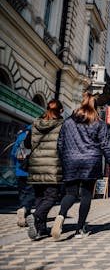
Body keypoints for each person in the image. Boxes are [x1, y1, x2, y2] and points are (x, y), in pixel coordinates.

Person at [51, 92, 110, 240]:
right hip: (90, 162)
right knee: (86, 195)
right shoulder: (99, 124)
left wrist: (64, 160)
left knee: (70, 194)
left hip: (71, 162)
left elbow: (60, 143)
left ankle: (60, 215)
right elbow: (106, 145)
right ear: (96, 108)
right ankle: (79, 229)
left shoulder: (68, 122)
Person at [24, 99, 65, 240]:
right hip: (52, 165)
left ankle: (41, 230)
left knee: (40, 197)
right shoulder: (61, 125)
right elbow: (63, 146)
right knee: (51, 196)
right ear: (60, 111)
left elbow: (27, 143)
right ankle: (35, 217)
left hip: (35, 165)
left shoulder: (35, 123)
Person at [10, 125, 35, 228]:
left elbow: (13, 153)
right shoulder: (37, 136)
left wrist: (16, 166)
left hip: (20, 170)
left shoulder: (21, 136)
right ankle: (24, 209)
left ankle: (23, 213)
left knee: (22, 194)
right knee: (31, 194)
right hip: (32, 171)